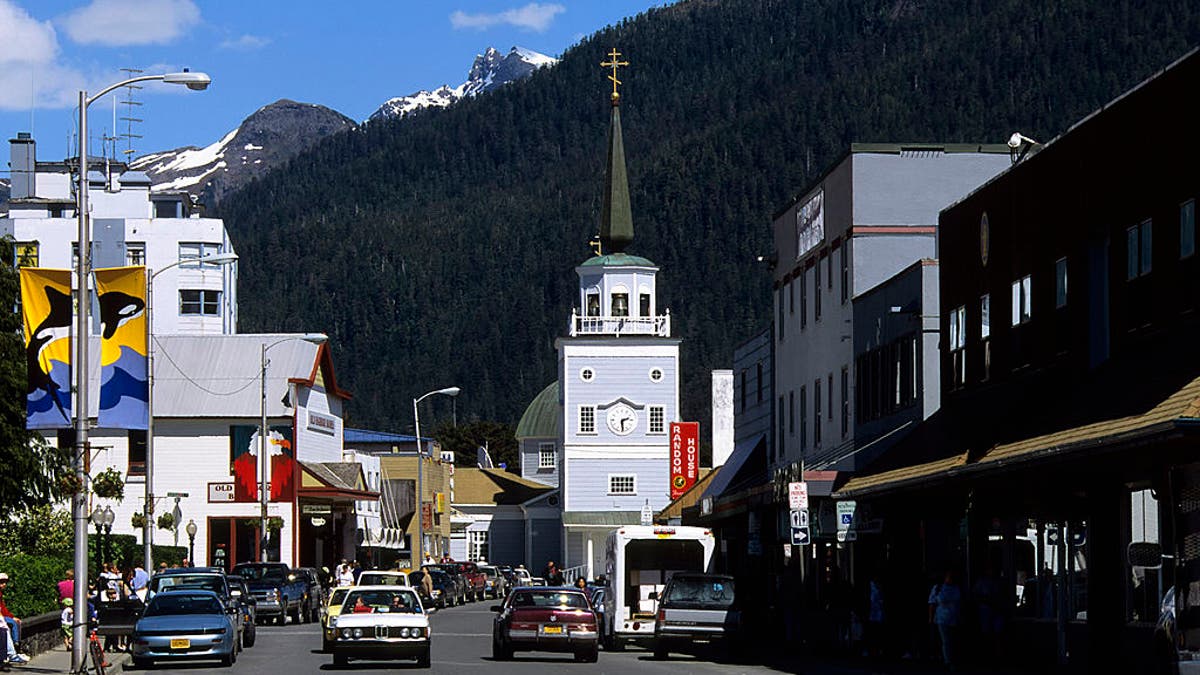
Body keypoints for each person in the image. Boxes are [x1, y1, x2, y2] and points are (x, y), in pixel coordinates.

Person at [928, 570, 962, 670]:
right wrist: (930, 618)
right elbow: (931, 603)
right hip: (942, 618)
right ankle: (948, 661)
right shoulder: (938, 588)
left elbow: (959, 604)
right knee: (946, 640)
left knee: (953, 640)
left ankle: (952, 659)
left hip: (954, 617)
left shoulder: (956, 588)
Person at [0, 573, 22, 654]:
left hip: (3, 615)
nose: (4, 584)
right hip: (1, 617)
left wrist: (11, 616)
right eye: (2, 582)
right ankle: (16, 644)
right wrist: (11, 617)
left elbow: (3, 608)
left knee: (15, 622)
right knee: (13, 623)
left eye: (5, 582)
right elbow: (2, 609)